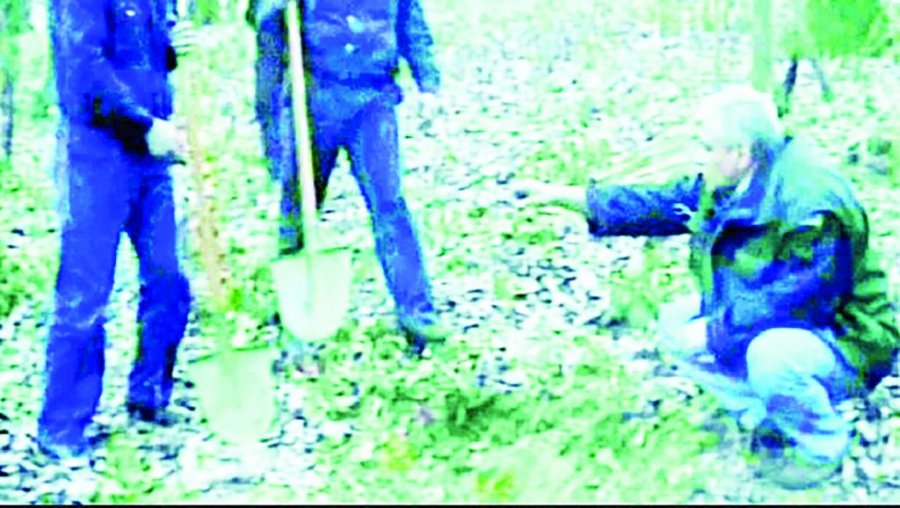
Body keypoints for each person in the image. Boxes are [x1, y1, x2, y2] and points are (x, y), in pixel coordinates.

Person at [515, 86, 899, 488]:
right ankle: (765, 417)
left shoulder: (812, 206)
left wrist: (715, 332)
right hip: (780, 315)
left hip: (848, 338)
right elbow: (661, 204)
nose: (699, 156)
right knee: (676, 322)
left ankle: (821, 446)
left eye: (707, 147)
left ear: (741, 152)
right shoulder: (738, 179)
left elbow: (798, 301)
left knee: (770, 357)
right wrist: (569, 198)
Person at [245, 0, 450, 356]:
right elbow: (264, 30)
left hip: (373, 98)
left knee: (390, 204)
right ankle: (294, 309)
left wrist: (427, 80)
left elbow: (410, 18)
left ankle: (418, 313)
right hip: (314, 96)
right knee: (298, 209)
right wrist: (271, 133)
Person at [40, 0, 196, 459]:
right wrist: (143, 124)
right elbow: (83, 72)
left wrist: (171, 47)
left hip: (151, 157)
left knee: (169, 280)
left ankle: (149, 396)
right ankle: (62, 429)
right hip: (96, 156)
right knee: (85, 297)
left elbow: (145, 55)